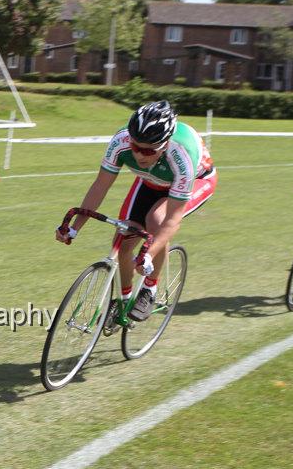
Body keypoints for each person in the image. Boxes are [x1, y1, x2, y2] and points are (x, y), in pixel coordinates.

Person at [55, 100, 216, 321]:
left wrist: (148, 255)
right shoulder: (121, 140)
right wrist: (74, 228)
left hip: (196, 181)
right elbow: (100, 186)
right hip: (151, 182)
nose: (140, 156)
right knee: (123, 241)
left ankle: (150, 290)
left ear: (165, 144)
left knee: (156, 220)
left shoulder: (181, 156)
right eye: (135, 147)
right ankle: (123, 301)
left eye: (148, 151)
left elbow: (172, 220)